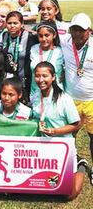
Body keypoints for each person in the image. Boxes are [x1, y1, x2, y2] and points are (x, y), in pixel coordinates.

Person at [31, 61, 88, 200]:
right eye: (37, 76)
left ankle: (82, 166)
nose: (41, 80)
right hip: (42, 146)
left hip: (63, 146)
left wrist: (55, 131)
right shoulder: (35, 96)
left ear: (53, 77)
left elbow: (75, 124)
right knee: (44, 186)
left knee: (70, 194)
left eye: (45, 76)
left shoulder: (64, 99)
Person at [59, 13, 93, 184]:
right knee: (68, 136)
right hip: (70, 100)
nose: (77, 34)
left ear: (89, 31)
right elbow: (42, 30)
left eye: (81, 30)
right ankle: (68, 165)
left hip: (92, 101)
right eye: (74, 29)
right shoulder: (65, 41)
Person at [4, 11, 38, 101]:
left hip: (25, 80)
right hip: (8, 79)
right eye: (9, 23)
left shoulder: (30, 37)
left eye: (15, 23)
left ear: (22, 24)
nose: (12, 26)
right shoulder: (4, 36)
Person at [29, 20, 64, 99]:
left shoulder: (60, 52)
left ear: (54, 35)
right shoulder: (33, 49)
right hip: (36, 93)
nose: (44, 39)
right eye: (40, 36)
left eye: (47, 35)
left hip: (55, 94)